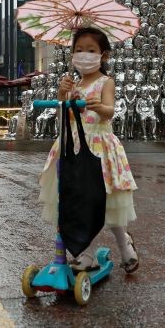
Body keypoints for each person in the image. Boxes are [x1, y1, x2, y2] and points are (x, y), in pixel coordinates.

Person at [38, 27, 139, 274]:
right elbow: (63, 115)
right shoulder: (74, 84)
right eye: (79, 50)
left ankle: (124, 243)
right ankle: (86, 253)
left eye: (91, 50)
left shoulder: (106, 82)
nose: (84, 55)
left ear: (103, 55)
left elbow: (110, 111)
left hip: (99, 148)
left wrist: (98, 106)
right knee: (77, 202)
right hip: (72, 146)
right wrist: (62, 95)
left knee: (106, 201)